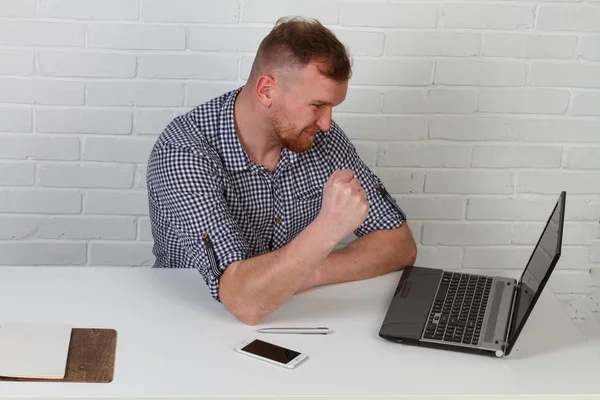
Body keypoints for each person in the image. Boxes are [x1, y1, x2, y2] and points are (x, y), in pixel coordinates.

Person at [146, 16, 417, 325]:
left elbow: (399, 245)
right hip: (190, 321)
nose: (327, 123)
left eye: (332, 108)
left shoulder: (321, 139)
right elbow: (243, 300)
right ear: (266, 91)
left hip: (288, 319)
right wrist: (328, 228)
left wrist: (308, 272)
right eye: (317, 105)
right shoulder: (184, 152)